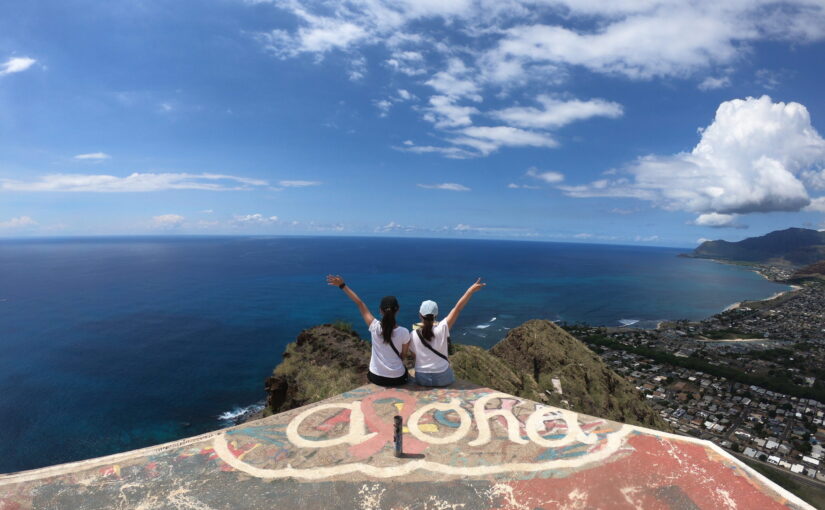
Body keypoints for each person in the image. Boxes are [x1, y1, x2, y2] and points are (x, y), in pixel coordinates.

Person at [326, 275, 411, 386]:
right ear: (398, 310)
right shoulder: (404, 332)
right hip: (397, 378)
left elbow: (359, 303)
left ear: (380, 311)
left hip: (377, 377)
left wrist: (342, 285)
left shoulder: (374, 326)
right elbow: (403, 355)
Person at [410, 278, 486, 387]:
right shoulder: (442, 328)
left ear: (420, 315)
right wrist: (470, 291)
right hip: (443, 378)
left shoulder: (413, 334)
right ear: (436, 315)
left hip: (422, 379)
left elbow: (415, 356)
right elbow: (457, 308)